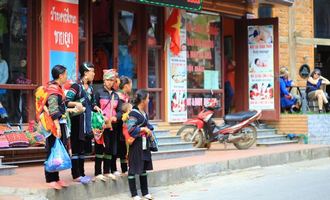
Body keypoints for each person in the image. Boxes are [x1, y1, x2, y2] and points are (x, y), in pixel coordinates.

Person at [66, 62, 101, 184]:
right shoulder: (76, 87)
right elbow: (66, 101)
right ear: (85, 73)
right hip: (77, 122)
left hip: (86, 124)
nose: (94, 73)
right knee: (76, 148)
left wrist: (96, 107)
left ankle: (82, 173)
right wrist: (76, 104)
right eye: (92, 71)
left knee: (82, 149)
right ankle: (76, 174)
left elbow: (93, 103)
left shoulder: (90, 88)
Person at [44, 65, 72, 189]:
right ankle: (50, 179)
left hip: (60, 123)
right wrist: (57, 126)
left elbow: (61, 106)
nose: (67, 76)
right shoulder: (53, 89)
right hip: (53, 125)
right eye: (66, 74)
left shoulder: (58, 88)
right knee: (52, 150)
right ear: (60, 75)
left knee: (58, 151)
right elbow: (53, 108)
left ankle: (56, 178)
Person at [127, 89, 154, 200]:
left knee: (143, 168)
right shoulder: (133, 113)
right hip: (136, 144)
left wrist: (150, 130)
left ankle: (145, 192)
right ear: (142, 100)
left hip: (144, 143)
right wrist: (143, 128)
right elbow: (130, 129)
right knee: (133, 168)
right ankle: (134, 194)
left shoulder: (144, 113)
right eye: (147, 98)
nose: (148, 100)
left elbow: (148, 125)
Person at [94, 69, 119, 181]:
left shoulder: (115, 95)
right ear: (104, 80)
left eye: (112, 80)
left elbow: (119, 110)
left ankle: (107, 171)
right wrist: (100, 116)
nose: (110, 82)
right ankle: (98, 172)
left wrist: (116, 116)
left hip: (111, 124)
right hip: (101, 125)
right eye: (108, 80)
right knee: (100, 147)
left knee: (109, 147)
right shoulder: (98, 92)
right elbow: (93, 106)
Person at [115, 76, 133, 175]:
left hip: (125, 125)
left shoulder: (126, 97)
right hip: (118, 125)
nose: (131, 87)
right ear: (126, 86)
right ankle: (113, 168)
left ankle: (125, 168)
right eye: (130, 85)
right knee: (119, 146)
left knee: (124, 147)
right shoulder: (118, 96)